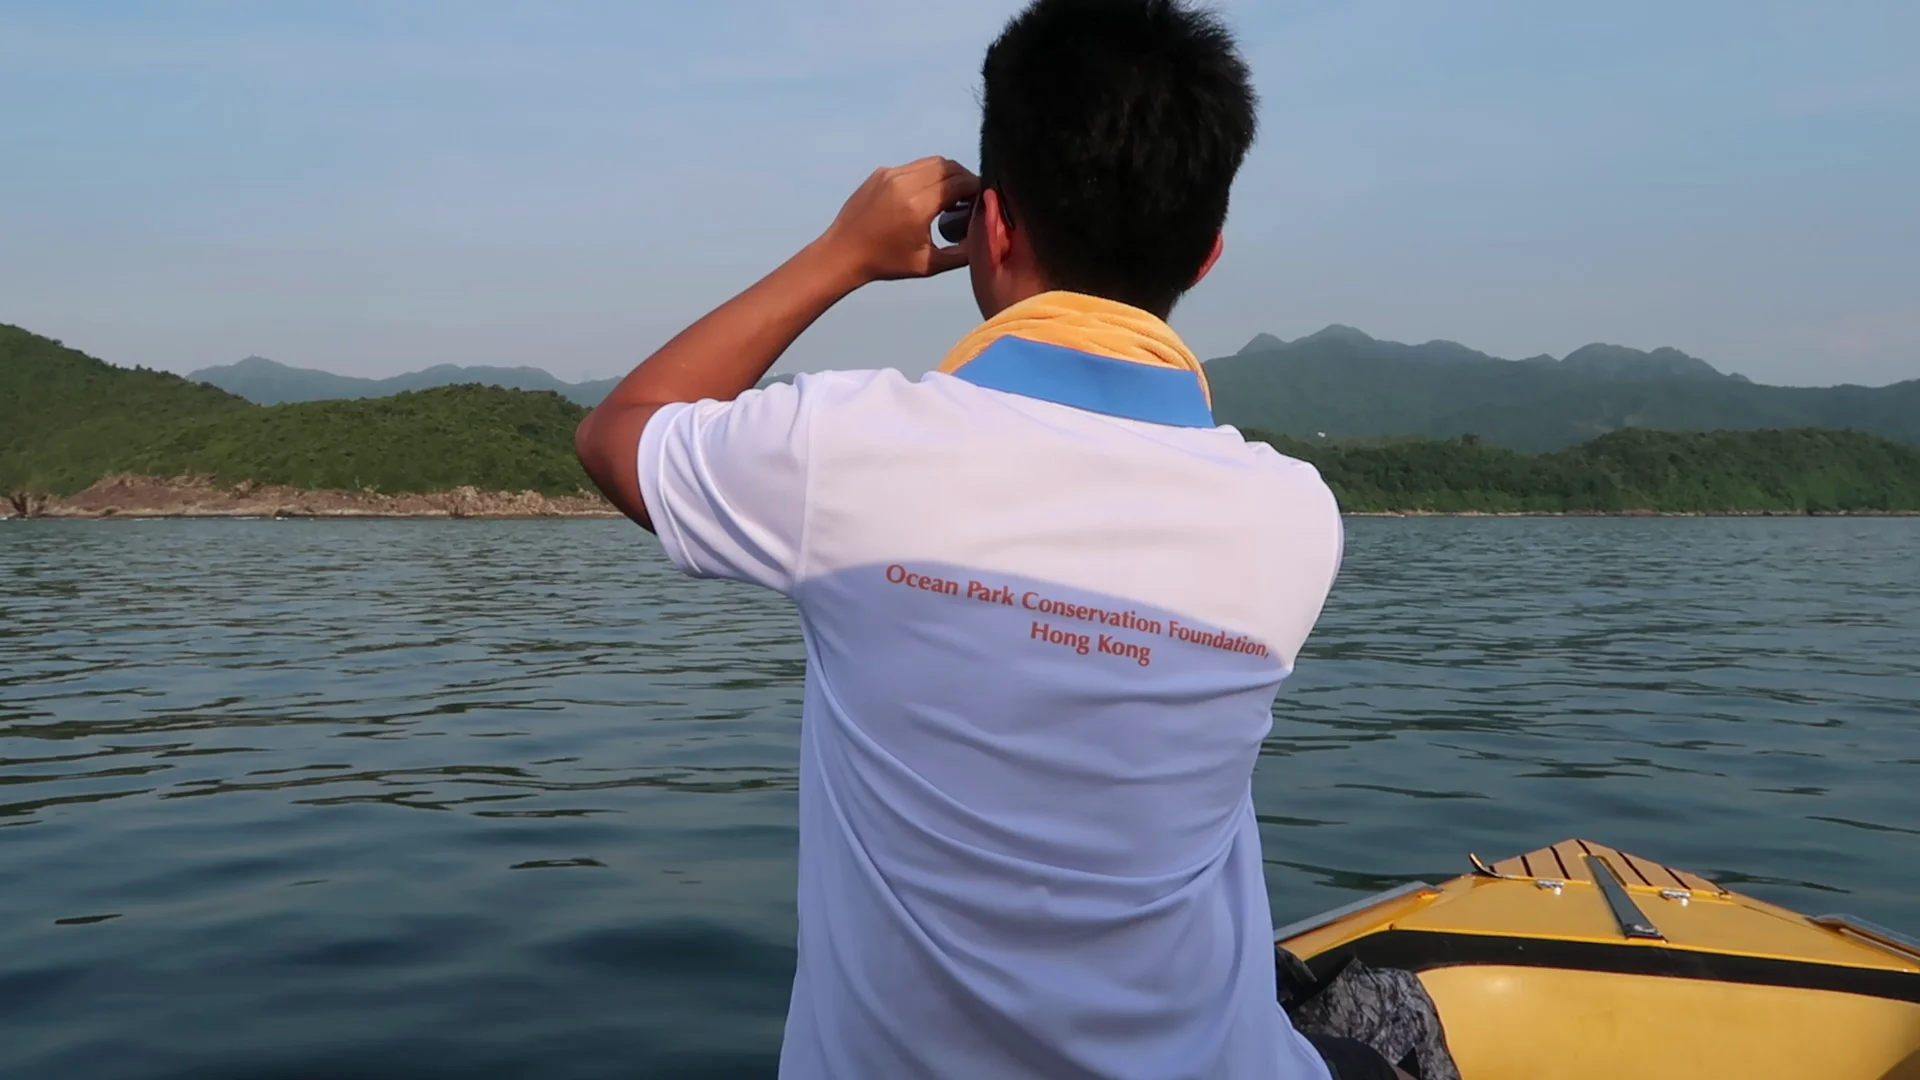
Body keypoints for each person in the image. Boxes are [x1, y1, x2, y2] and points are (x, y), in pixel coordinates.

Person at [576, 1, 1375, 1075]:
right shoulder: (1295, 516)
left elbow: (617, 431)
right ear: (1210, 251)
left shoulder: (845, 450)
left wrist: (842, 254)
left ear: (989, 231)